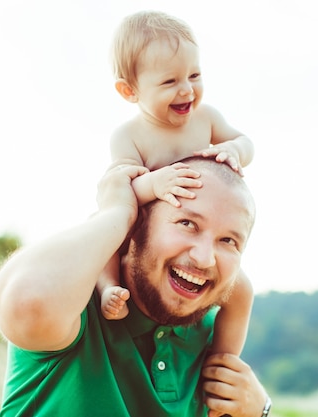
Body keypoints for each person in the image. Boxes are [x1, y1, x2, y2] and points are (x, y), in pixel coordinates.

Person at [0, 157, 272, 416]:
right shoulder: (75, 302)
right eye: (187, 223)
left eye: (229, 241)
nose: (204, 257)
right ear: (138, 226)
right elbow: (26, 304)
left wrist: (261, 412)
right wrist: (118, 212)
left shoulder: (216, 339)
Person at [98, 10, 255, 358]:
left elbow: (247, 143)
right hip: (142, 234)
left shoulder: (207, 117)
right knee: (105, 235)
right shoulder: (129, 136)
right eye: (169, 82)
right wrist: (154, 183)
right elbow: (121, 192)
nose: (187, 89)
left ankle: (222, 362)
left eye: (194, 75)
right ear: (130, 91)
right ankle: (107, 286)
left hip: (196, 226)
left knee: (242, 291)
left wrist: (233, 149)